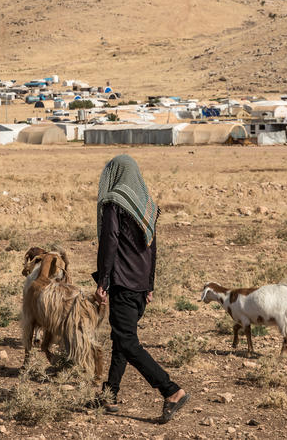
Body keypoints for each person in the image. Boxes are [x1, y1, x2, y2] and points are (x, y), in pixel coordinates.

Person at [93, 154, 189, 423]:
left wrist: (103, 280)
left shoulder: (115, 202)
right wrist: (150, 285)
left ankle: (171, 391)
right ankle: (108, 395)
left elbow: (109, 243)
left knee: (127, 342)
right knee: (120, 338)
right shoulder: (147, 205)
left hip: (122, 282)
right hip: (140, 285)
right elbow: (152, 248)